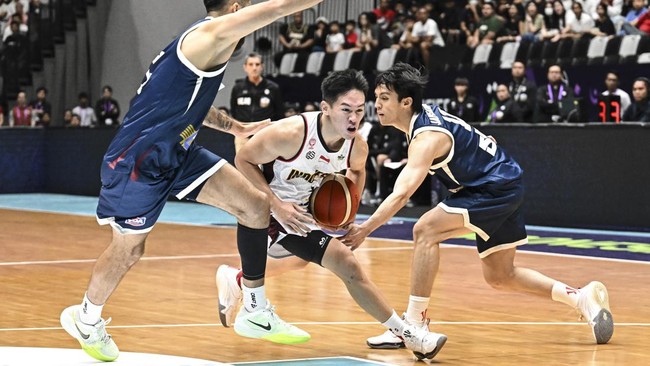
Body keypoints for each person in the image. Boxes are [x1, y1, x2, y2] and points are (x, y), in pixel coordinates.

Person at [59, 0, 325, 362]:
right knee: (129, 249)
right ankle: (87, 319)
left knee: (255, 205)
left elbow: (195, 108)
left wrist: (236, 126)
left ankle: (254, 310)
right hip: (138, 162)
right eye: (244, 8)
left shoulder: (203, 49)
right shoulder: (210, 33)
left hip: (178, 150)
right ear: (235, 7)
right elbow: (276, 10)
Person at [342, 62, 614, 350]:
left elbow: (400, 194)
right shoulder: (423, 121)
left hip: (492, 187)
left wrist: (365, 229)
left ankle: (413, 325)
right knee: (500, 275)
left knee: (425, 230)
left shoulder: (425, 138)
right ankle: (579, 296)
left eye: (384, 98)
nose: (378, 104)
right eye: (377, 97)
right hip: (502, 182)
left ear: (406, 102)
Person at [216, 69, 447, 359]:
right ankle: (409, 334)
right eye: (346, 110)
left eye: (360, 111)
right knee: (347, 263)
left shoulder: (356, 146)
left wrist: (350, 208)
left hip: (301, 213)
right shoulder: (290, 134)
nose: (354, 118)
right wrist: (276, 204)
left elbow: (358, 171)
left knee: (303, 262)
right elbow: (243, 159)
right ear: (325, 108)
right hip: (268, 208)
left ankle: (237, 279)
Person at [230, 52, 283, 152]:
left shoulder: (273, 88)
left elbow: (279, 113)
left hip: (265, 134)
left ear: (262, 66)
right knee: (241, 165)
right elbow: (234, 111)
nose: (254, 68)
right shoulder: (238, 88)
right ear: (245, 67)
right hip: (243, 135)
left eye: (257, 64)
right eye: (250, 64)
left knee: (263, 165)